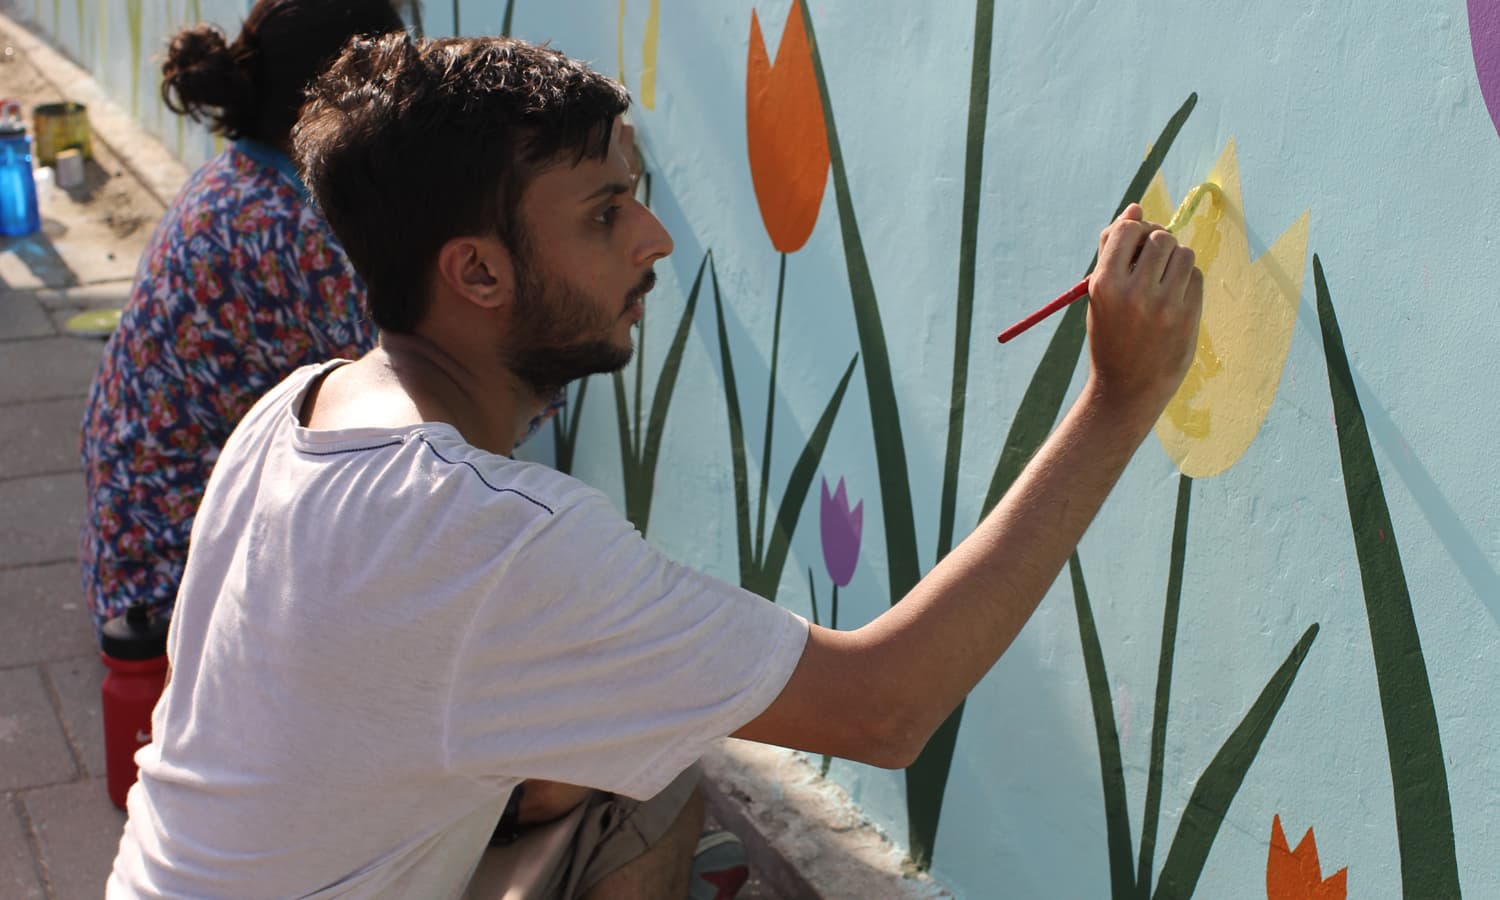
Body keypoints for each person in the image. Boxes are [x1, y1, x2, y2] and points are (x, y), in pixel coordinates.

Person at [106, 32, 1204, 900]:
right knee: (652, 770)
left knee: (643, 770)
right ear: (478, 273)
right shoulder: (492, 536)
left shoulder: (297, 411)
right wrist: (1120, 398)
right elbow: (886, 709)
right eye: (603, 214)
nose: (654, 240)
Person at [78, 0, 407, 636]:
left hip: (135, 546)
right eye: (397, 85)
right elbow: (414, 407)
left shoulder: (245, 178)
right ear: (336, 103)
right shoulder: (296, 229)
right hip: (178, 588)